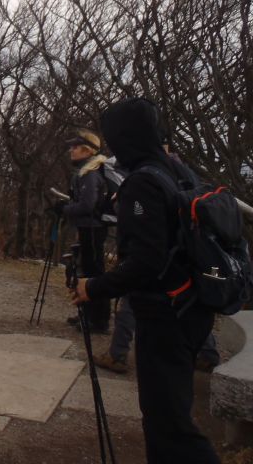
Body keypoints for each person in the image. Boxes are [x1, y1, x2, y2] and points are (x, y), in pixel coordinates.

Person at [71, 97, 220, 464]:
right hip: (193, 304)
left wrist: (93, 287)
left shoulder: (143, 181)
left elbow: (146, 263)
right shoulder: (179, 171)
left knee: (168, 426)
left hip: (164, 311)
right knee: (173, 415)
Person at [56, 128, 111, 334]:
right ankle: (88, 314)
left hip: (93, 229)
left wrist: (64, 209)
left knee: (94, 273)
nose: (72, 150)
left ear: (88, 151)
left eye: (76, 147)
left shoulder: (90, 173)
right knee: (86, 271)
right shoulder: (87, 171)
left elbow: (87, 206)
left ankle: (98, 320)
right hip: (88, 228)